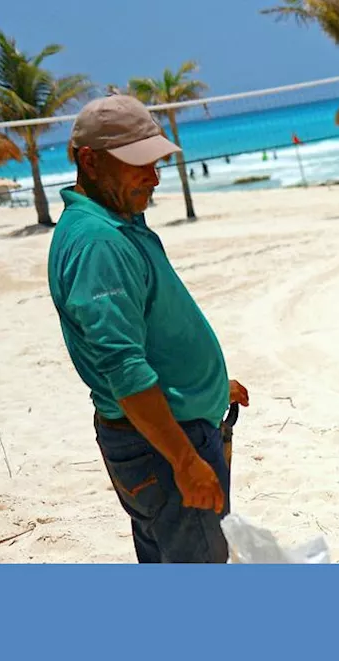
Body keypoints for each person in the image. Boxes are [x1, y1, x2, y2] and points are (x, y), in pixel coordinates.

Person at [47, 95, 250, 563]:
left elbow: (148, 334)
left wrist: (213, 388)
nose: (154, 178)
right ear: (90, 162)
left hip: (164, 433)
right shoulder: (98, 241)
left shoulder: (117, 221)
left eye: (155, 164)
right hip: (162, 446)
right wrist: (183, 460)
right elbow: (122, 366)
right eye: (138, 165)